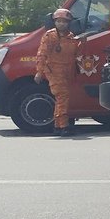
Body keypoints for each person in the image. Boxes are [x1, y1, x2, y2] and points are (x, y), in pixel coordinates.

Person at [34, 8, 82, 136]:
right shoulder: (50, 36)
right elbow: (41, 54)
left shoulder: (72, 38)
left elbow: (76, 54)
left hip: (67, 72)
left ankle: (57, 126)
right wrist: (39, 72)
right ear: (54, 22)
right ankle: (64, 126)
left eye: (64, 21)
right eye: (58, 21)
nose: (61, 24)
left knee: (62, 98)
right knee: (62, 97)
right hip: (55, 72)